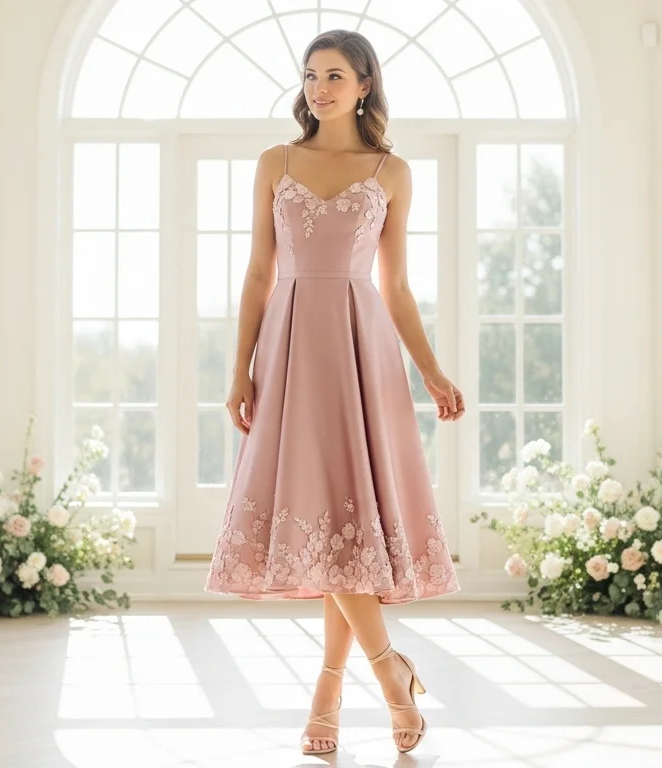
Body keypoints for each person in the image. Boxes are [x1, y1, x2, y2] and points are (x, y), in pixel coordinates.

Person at [203, 29, 463, 756]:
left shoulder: (391, 171)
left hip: (360, 350)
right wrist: (239, 368)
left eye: (336, 75)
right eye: (312, 75)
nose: (320, 87)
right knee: (321, 518)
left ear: (364, 85)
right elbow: (259, 274)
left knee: (349, 524)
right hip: (289, 348)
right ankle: (388, 677)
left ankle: (332, 691)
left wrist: (432, 372)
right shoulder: (275, 163)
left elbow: (398, 287)